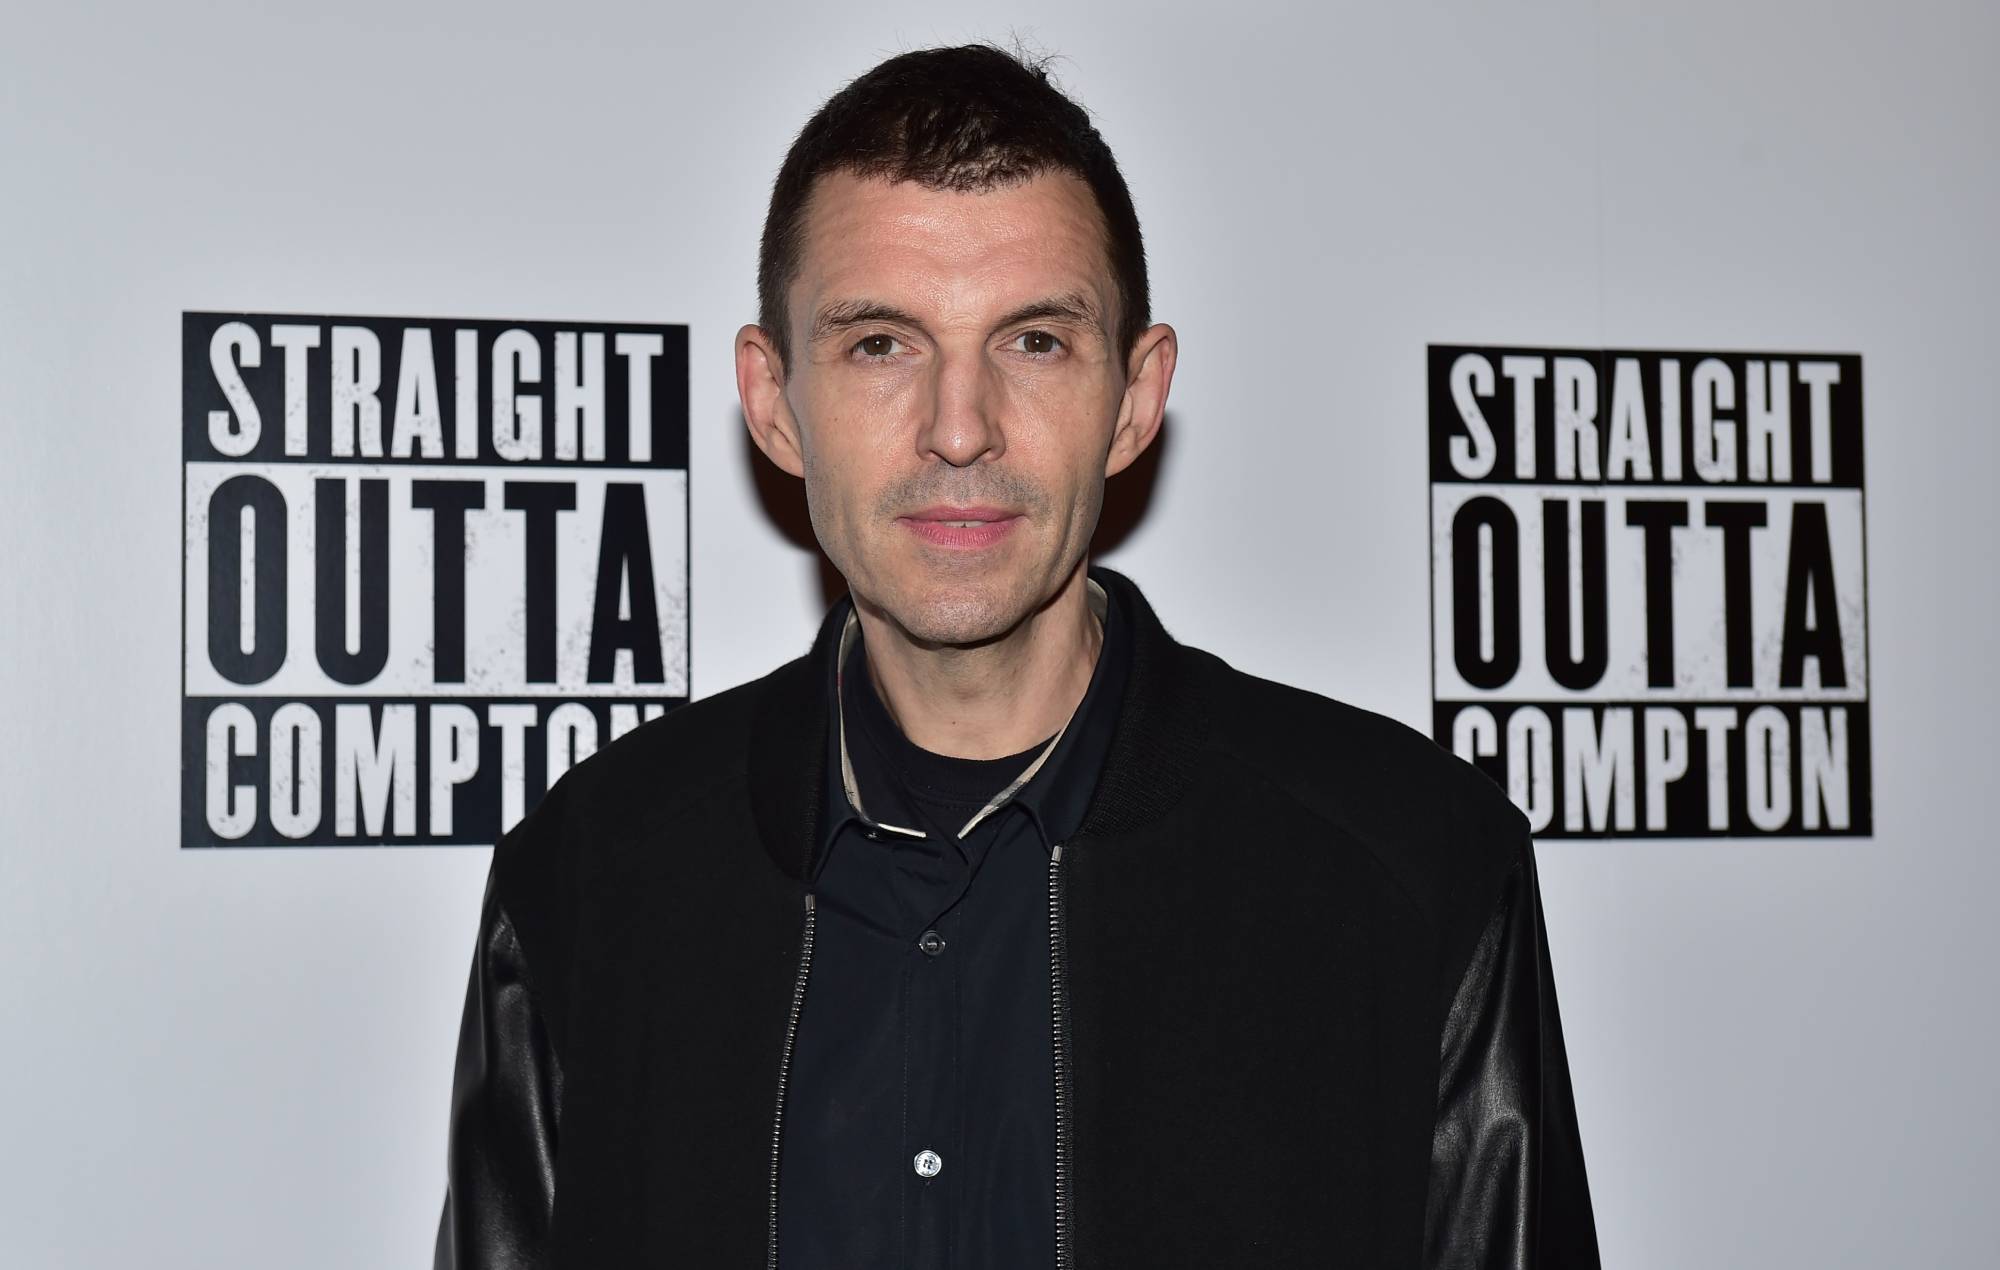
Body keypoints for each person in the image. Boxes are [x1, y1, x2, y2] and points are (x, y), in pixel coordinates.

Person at [435, 42, 1600, 1270]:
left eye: (1033, 341)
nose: (957, 427)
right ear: (772, 401)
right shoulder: (591, 875)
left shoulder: (1409, 865)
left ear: (1135, 396)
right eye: (879, 343)